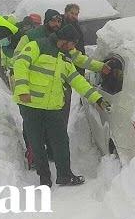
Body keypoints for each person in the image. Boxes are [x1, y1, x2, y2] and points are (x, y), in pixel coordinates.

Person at [13, 24, 111, 187]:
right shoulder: (38, 46)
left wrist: (97, 98)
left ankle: (64, 175)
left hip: (53, 108)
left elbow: (77, 80)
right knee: (36, 143)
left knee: (61, 142)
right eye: (73, 43)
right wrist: (22, 89)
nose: (73, 47)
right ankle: (44, 177)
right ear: (64, 40)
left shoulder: (64, 58)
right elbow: (20, 64)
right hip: (31, 106)